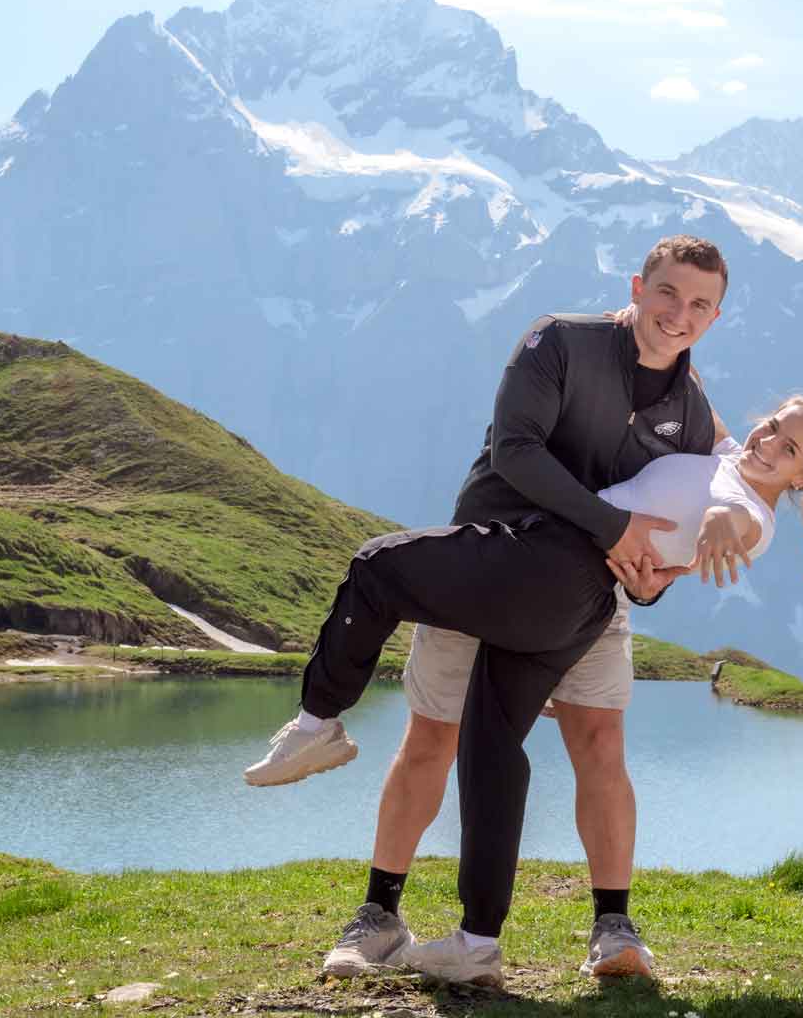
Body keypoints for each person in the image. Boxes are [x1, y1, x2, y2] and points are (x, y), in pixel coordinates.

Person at [252, 389, 803, 986]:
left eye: (789, 449)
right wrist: (641, 326)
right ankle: (475, 943)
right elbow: (695, 394)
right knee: (486, 748)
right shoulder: (726, 455)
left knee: (376, 566)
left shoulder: (752, 512)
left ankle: (318, 724)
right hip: (567, 592)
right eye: (773, 424)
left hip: (554, 571)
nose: (768, 441)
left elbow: (732, 520)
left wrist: (718, 523)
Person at [246, 236, 728, 981]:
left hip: (587, 602)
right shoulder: (559, 340)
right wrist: (614, 530)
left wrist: (653, 577)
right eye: (667, 293)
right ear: (638, 286)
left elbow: (659, 554)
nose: (678, 314)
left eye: (699, 304)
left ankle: (611, 928)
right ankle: (380, 915)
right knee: (433, 738)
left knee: (599, 744)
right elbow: (516, 451)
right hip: (489, 564)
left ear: (715, 315)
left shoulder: (694, 419)